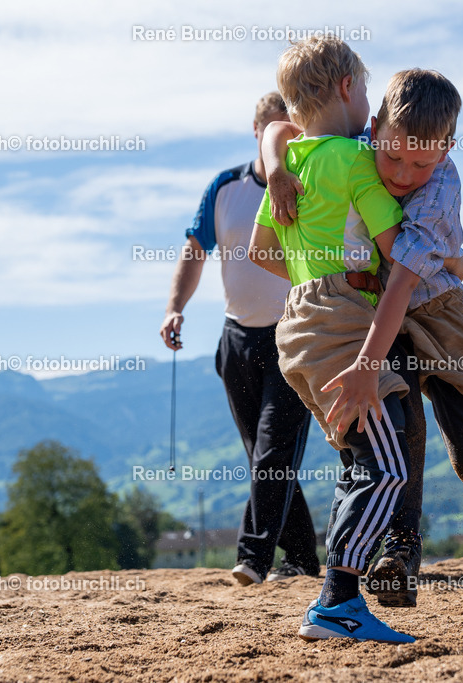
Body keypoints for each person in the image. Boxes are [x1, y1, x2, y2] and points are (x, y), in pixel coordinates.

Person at [265, 69, 463, 624]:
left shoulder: (441, 189)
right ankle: (400, 552)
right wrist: (275, 169)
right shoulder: (358, 149)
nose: (402, 174)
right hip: (378, 315)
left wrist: (367, 363)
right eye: (392, 157)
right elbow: (280, 125)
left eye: (422, 163)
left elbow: (403, 277)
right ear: (375, 129)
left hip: (437, 310)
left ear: (447, 149)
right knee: (403, 430)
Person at [248, 35, 417, 644]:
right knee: (389, 468)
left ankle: (337, 597)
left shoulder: (288, 169)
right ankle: (337, 601)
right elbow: (402, 246)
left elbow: (260, 252)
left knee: (359, 457)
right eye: (367, 91)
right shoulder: (353, 160)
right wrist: (447, 261)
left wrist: (314, 270)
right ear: (348, 88)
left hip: (296, 323)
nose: (369, 105)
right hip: (341, 322)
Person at [159, 92, 320, 586]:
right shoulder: (225, 187)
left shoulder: (311, 183)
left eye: (290, 129)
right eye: (273, 129)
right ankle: (304, 560)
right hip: (236, 342)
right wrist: (175, 308)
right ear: (257, 132)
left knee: (273, 452)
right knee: (265, 459)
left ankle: (253, 557)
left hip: (294, 335)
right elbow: (195, 250)